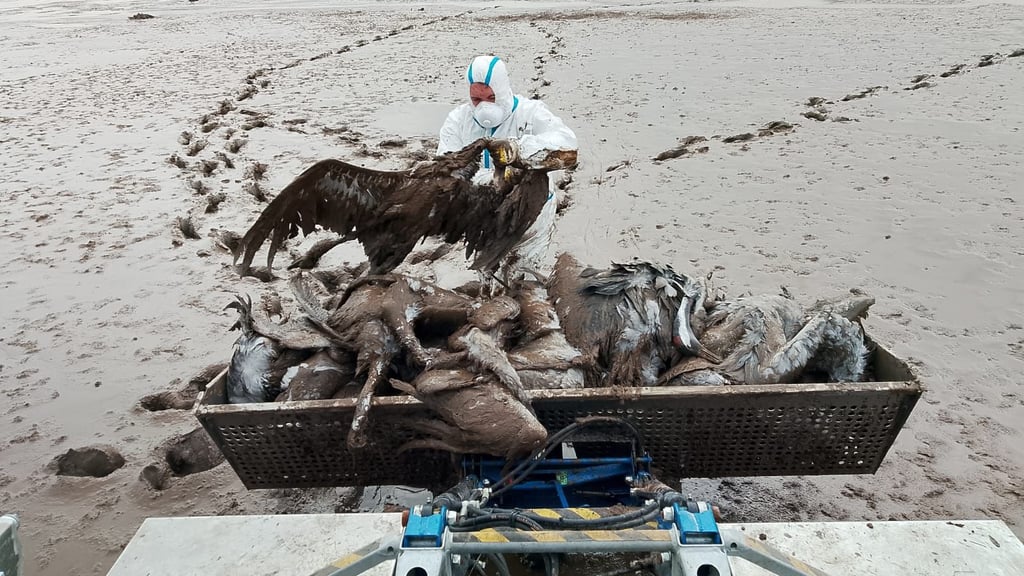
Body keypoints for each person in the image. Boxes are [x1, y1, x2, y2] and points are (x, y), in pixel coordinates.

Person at [437, 54, 578, 284]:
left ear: (503, 90)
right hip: (484, 216)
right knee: (489, 276)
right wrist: (491, 180)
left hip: (532, 213)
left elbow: (568, 146)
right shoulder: (458, 121)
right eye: (476, 99)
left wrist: (518, 150)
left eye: (492, 97)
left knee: (521, 278)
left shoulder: (530, 113)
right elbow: (445, 171)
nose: (484, 107)